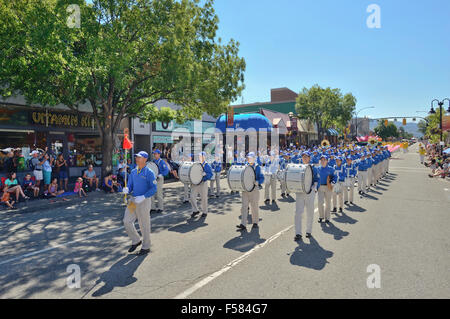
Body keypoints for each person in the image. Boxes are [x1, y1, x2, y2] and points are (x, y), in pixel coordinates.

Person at [122, 151, 157, 256]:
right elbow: (130, 185)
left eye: (139, 157)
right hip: (133, 200)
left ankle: (146, 246)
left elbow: (153, 188)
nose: (137, 159)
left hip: (144, 201)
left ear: (145, 159)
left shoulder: (149, 172)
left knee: (144, 224)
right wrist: (127, 189)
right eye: (136, 157)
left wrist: (144, 196)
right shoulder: (133, 171)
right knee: (126, 221)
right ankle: (136, 240)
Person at [293, 151, 319, 241]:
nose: (305, 158)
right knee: (297, 213)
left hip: (309, 192)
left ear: (309, 158)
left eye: (306, 157)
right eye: (303, 157)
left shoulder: (313, 168)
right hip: (300, 193)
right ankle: (298, 233)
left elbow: (316, 179)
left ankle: (308, 231)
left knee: (310, 212)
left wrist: (314, 187)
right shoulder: (298, 167)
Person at [236, 152, 264, 231]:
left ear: (254, 158)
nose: (249, 159)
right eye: (248, 158)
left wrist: (258, 182)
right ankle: (243, 224)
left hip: (254, 189)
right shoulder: (245, 166)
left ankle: (255, 222)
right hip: (245, 190)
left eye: (251, 158)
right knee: (244, 207)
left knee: (254, 207)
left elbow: (262, 178)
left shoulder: (257, 167)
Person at [191, 152, 213, 218]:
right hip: (195, 183)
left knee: (203, 198)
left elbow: (210, 174)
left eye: (201, 156)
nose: (200, 157)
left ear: (204, 157)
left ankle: (204, 211)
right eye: (199, 156)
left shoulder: (207, 165)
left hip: (203, 183)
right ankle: (195, 210)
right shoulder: (197, 164)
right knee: (192, 196)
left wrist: (205, 175)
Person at [317, 155, 336, 224]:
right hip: (320, 187)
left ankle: (327, 218)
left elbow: (335, 177)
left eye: (324, 160)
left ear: (327, 161)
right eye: (321, 160)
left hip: (328, 187)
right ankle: (321, 216)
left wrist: (332, 183)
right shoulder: (318, 168)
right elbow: (315, 178)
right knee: (320, 203)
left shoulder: (331, 169)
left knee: (328, 203)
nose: (323, 161)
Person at [150, 149, 169, 213]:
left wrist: (161, 174)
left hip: (159, 179)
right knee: (151, 193)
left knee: (159, 193)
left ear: (159, 154)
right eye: (154, 154)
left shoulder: (162, 162)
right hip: (153, 179)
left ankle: (160, 207)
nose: (154, 155)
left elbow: (166, 170)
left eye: (156, 154)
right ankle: (153, 207)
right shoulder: (153, 161)